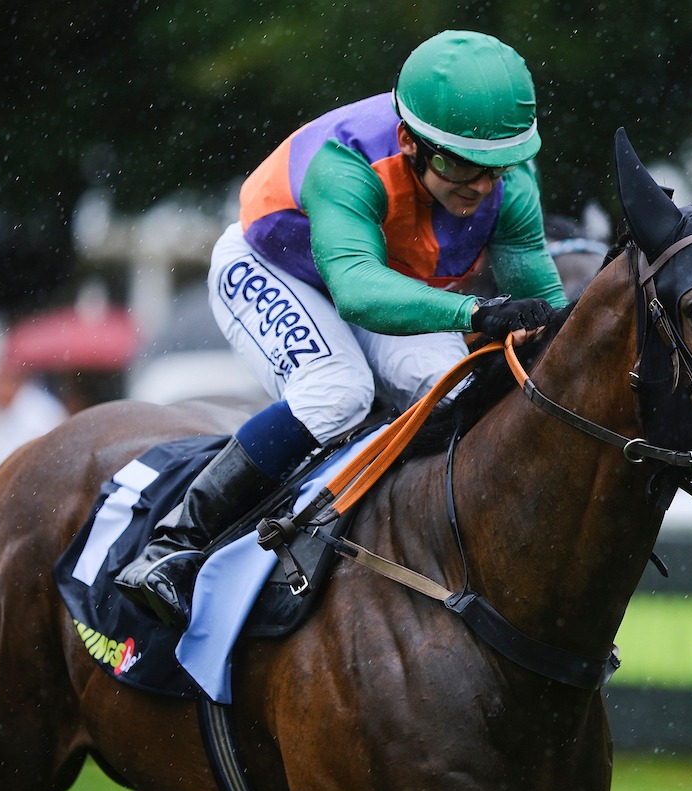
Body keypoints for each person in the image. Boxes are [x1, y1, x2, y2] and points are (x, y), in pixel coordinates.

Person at [116, 30, 568, 627]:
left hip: (387, 284)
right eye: (460, 163)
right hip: (276, 267)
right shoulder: (348, 162)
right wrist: (477, 314)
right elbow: (357, 292)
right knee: (338, 390)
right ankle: (174, 544)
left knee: (455, 388)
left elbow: (548, 309)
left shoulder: (508, 187)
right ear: (409, 140)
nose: (482, 186)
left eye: (496, 166)